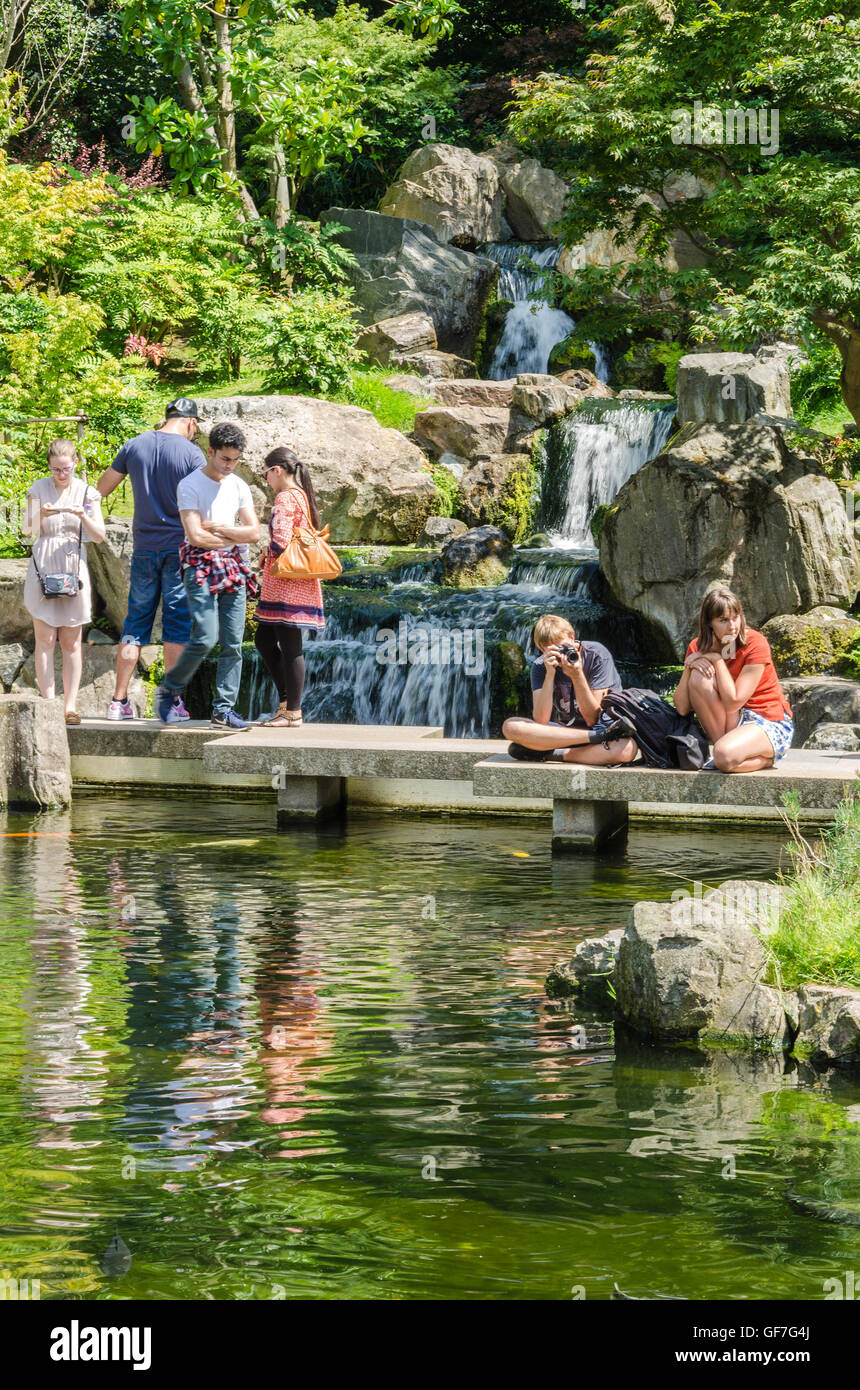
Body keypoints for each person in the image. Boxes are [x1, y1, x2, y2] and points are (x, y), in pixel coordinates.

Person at [96, 397, 203, 721]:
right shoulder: (192, 453)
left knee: (136, 624)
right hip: (179, 550)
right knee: (176, 627)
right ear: (191, 423)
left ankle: (118, 702)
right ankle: (170, 705)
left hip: (143, 549)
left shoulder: (135, 445)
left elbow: (100, 489)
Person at [155, 420, 260, 728]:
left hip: (233, 568)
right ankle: (169, 691)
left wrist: (223, 530)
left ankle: (223, 709)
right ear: (210, 451)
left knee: (233, 642)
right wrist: (231, 537)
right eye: (225, 458)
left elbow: (253, 532)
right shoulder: (189, 484)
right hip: (198, 566)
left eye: (236, 459)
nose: (230, 465)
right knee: (205, 636)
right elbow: (195, 536)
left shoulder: (239, 485)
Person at [23, 439, 106, 725]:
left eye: (66, 469)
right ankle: (48, 701)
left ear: (75, 464)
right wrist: (39, 514)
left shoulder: (87, 492)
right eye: (56, 469)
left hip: (73, 565)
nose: (61, 474)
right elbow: (26, 531)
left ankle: (70, 706)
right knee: (45, 638)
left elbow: (99, 536)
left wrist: (85, 515)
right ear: (49, 467)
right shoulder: (37, 488)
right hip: (44, 564)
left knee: (71, 641)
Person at [673, 586, 794, 772]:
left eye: (735, 618)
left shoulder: (755, 643)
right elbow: (682, 708)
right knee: (698, 677)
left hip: (765, 719)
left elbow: (733, 702)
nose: (732, 626)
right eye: (723, 620)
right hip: (730, 721)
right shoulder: (696, 646)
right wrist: (689, 667)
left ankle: (763, 759)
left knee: (724, 757)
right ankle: (726, 751)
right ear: (709, 623)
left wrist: (716, 658)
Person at [502, 614, 637, 765]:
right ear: (542, 650)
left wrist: (577, 675)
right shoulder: (540, 666)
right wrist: (549, 675)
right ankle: (596, 739)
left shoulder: (597, 655)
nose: (562, 654)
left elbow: (593, 718)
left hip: (602, 728)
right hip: (567, 733)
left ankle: (552, 754)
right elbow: (541, 720)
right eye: (554, 651)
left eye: (564, 647)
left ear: (572, 637)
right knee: (511, 726)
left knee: (626, 749)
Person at [253, 447, 326, 727]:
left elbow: (281, 542)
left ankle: (293, 711)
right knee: (265, 640)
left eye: (266, 473)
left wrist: (265, 551)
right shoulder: (302, 496)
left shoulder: (285, 497)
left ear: (278, 470)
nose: (266, 479)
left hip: (285, 583)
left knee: (290, 645)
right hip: (296, 581)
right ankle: (286, 704)